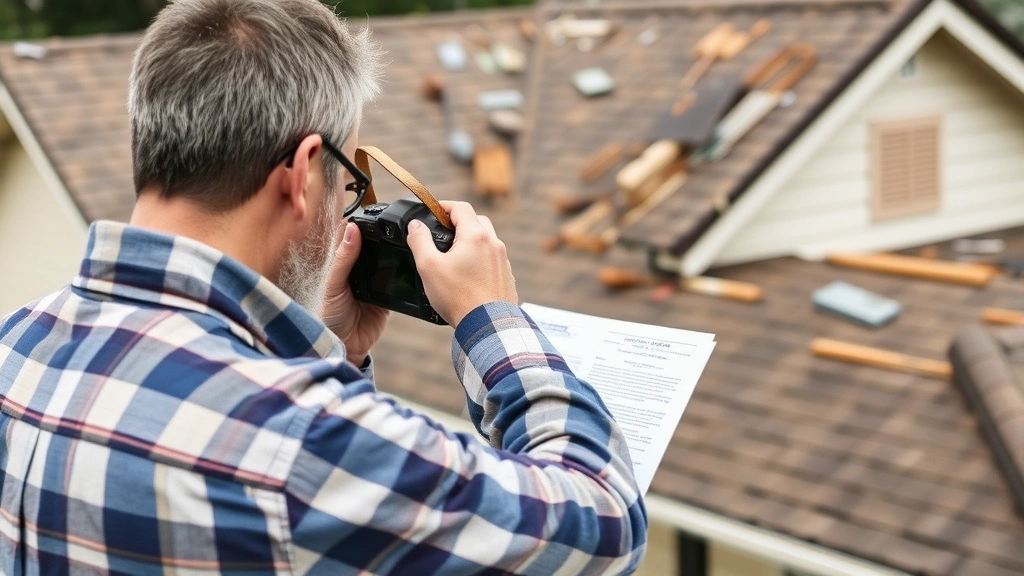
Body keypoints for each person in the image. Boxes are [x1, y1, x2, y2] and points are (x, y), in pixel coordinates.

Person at [0, 0, 647, 574]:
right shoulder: (300, 441)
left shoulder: (19, 346)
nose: (349, 205)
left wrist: (333, 354)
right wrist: (491, 315)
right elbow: (605, 522)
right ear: (306, 172)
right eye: (349, 179)